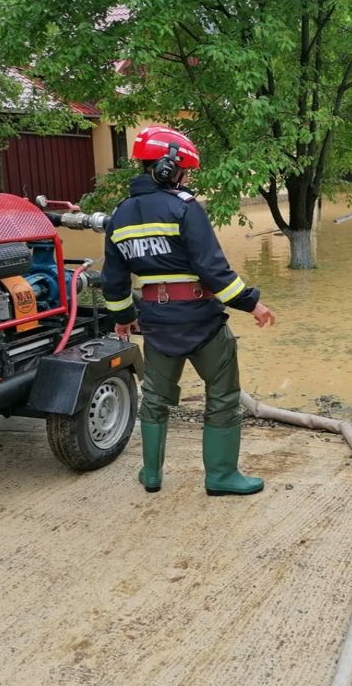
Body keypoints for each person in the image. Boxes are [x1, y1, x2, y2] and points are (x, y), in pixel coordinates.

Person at [102, 126, 276, 495]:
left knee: (154, 400)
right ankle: (221, 476)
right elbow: (214, 271)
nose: (186, 178)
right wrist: (252, 302)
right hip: (202, 321)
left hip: (157, 324)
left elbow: (113, 281)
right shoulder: (183, 207)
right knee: (224, 397)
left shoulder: (119, 216)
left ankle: (151, 475)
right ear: (167, 168)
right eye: (184, 171)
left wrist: (122, 317)